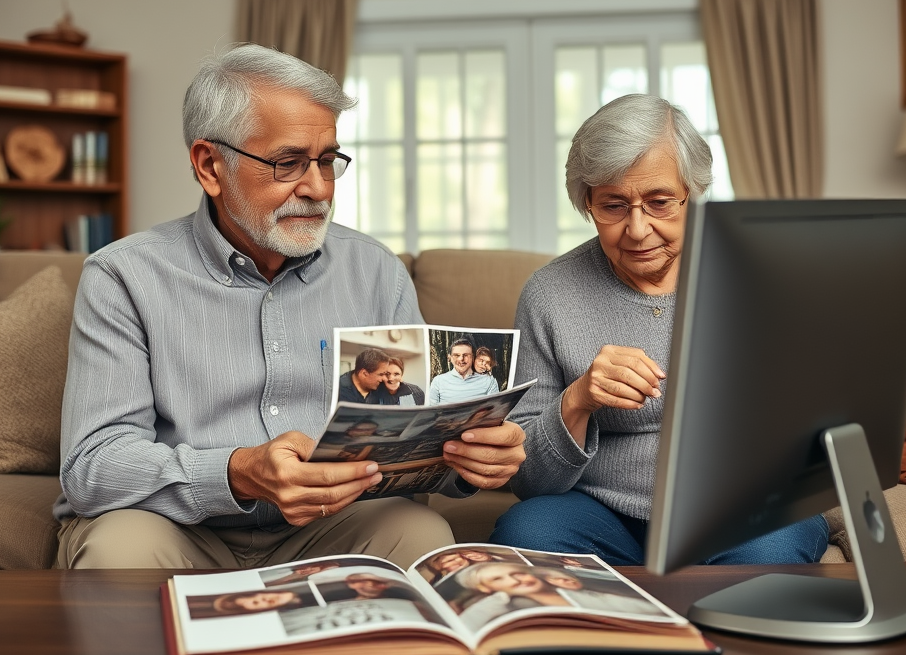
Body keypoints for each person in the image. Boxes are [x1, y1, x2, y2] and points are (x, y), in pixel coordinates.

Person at [55, 43, 526, 571]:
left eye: (328, 161)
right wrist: (237, 471)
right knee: (117, 551)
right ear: (210, 165)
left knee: (420, 533)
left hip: (333, 523)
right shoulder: (123, 276)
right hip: (182, 528)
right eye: (289, 163)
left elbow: (415, 440)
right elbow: (93, 466)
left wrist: (470, 461)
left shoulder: (374, 270)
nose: (319, 188)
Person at [489, 94, 828, 567]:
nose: (638, 229)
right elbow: (527, 480)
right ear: (587, 204)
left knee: (777, 540)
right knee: (526, 529)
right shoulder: (549, 294)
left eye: (659, 203)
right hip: (600, 513)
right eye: (613, 206)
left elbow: (821, 431)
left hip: (737, 509)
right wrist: (579, 398)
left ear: (694, 192)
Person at [428, 338, 499, 404]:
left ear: (472, 357)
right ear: (449, 358)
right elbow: (431, 413)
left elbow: (495, 412)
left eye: (466, 355)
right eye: (456, 355)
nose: (461, 359)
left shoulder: (490, 381)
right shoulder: (438, 381)